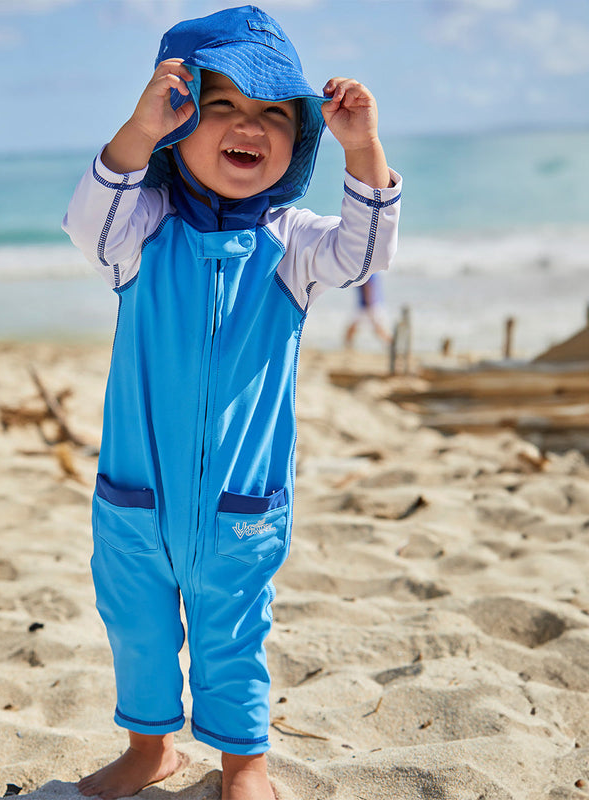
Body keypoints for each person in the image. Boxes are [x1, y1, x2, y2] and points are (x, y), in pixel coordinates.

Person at [62, 6, 401, 799]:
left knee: (234, 634)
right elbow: (88, 219)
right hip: (134, 498)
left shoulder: (295, 245)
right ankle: (151, 751)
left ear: (297, 143)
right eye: (223, 107)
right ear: (180, 120)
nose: (249, 125)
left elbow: (368, 252)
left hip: (241, 505)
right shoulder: (140, 232)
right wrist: (137, 131)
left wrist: (364, 150)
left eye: (273, 114)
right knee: (137, 628)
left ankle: (244, 764)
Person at [344, 272, 393, 347]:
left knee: (379, 330)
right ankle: (348, 348)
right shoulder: (374, 271)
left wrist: (369, 306)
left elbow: (368, 289)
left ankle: (393, 346)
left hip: (369, 305)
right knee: (353, 329)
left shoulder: (366, 272)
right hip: (371, 304)